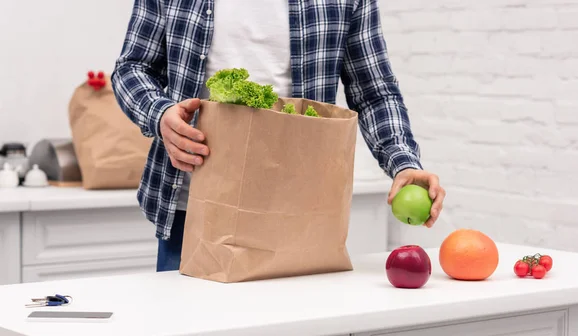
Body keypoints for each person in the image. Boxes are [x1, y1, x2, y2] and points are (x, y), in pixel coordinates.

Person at [111, 0, 446, 272]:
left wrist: (403, 163)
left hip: (300, 214)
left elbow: (374, 92)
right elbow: (132, 67)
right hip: (192, 212)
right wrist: (160, 114)